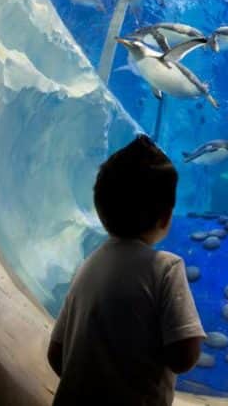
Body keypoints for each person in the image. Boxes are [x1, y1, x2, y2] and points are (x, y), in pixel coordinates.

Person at [48, 135, 205, 406]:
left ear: (101, 210)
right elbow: (184, 356)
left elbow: (55, 355)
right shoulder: (166, 268)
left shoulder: (89, 266)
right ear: (166, 217)